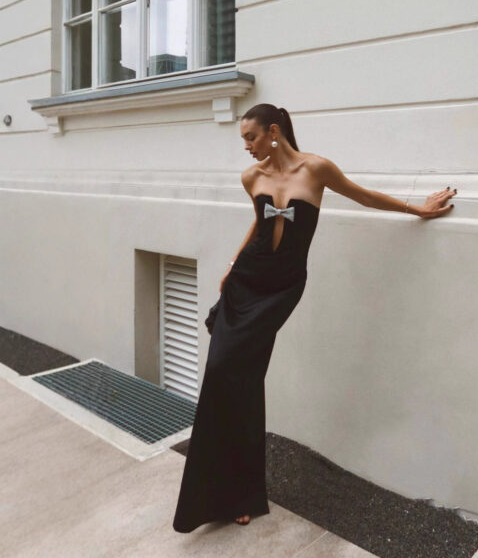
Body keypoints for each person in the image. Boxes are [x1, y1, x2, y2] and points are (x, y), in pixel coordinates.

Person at [172, 103, 457, 531]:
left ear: (272, 131)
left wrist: (417, 209)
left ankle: (238, 492)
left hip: (282, 288)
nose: (246, 147)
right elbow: (258, 224)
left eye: (250, 138)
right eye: (243, 141)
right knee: (224, 373)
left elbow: (364, 196)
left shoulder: (317, 169)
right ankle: (227, 495)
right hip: (245, 283)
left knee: (240, 375)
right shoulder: (252, 178)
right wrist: (232, 264)